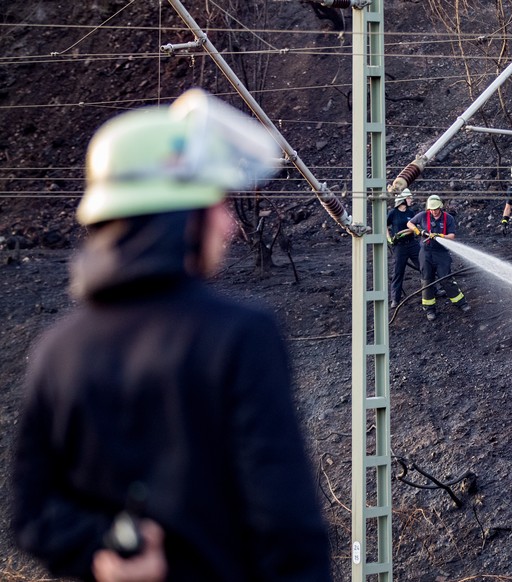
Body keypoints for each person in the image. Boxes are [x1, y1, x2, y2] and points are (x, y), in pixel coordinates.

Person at [12, 89, 331, 582]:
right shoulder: (240, 336)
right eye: (217, 203)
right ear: (177, 217)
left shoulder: (58, 351)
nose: (228, 224)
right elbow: (287, 529)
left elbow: (33, 518)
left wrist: (105, 549)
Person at [407, 194, 470, 321]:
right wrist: (418, 231)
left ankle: (461, 303)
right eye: (432, 209)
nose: (434, 212)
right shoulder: (423, 216)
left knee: (446, 278)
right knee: (427, 280)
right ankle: (430, 309)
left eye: (436, 209)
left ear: (440, 207)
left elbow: (452, 236)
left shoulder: (448, 218)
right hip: (425, 253)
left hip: (441, 253)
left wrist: (440, 235)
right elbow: (409, 223)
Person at [386, 188, 419, 309]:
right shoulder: (393, 213)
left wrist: (409, 231)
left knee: (425, 266)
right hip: (399, 247)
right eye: (409, 198)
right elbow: (383, 225)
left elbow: (415, 226)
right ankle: (395, 299)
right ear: (403, 200)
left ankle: (434, 289)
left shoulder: (411, 213)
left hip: (412, 244)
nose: (411, 200)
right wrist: (389, 238)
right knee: (398, 272)